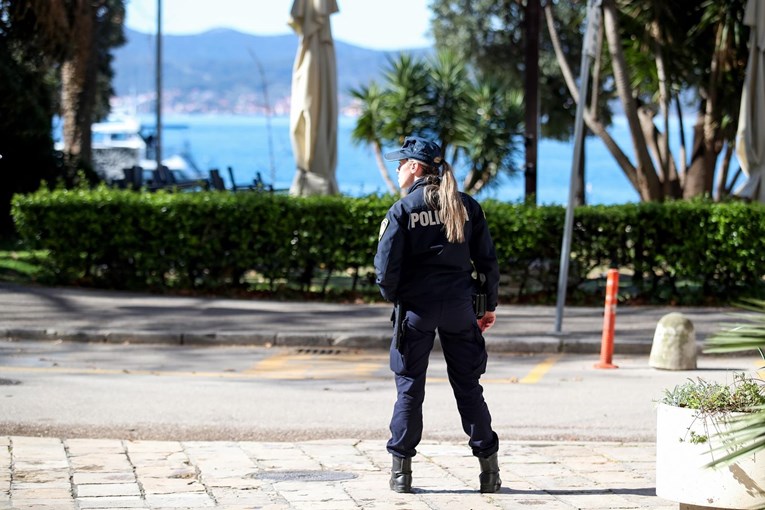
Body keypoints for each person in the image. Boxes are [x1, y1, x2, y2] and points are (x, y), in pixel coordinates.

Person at [374, 136, 501, 494]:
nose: (398, 168)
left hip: (417, 309)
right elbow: (488, 262)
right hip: (461, 308)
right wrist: (488, 305)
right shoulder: (466, 206)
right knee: (468, 388)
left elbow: (385, 270)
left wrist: (398, 300)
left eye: (401, 163)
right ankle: (489, 472)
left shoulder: (402, 210)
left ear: (415, 167)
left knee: (409, 390)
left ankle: (402, 474)